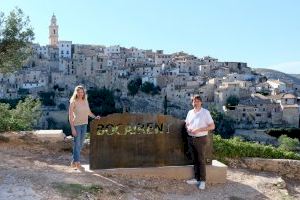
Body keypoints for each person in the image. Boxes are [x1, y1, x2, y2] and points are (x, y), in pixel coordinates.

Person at [185, 95, 215, 190]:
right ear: (192, 103)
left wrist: (199, 129)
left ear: (201, 102)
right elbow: (187, 123)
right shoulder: (190, 112)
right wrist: (188, 128)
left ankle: (202, 181)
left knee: (201, 160)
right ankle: (196, 178)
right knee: (195, 159)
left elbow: (212, 126)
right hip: (191, 138)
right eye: (194, 101)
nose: (195, 103)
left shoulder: (205, 112)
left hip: (201, 139)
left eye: (197, 101)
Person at [69, 85, 100, 170]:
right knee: (77, 143)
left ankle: (73, 161)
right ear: (76, 92)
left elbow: (88, 112)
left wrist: (94, 117)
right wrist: (72, 128)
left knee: (81, 143)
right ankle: (77, 163)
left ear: (84, 93)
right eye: (78, 92)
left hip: (84, 124)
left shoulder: (85, 101)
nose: (80, 94)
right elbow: (70, 116)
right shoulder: (73, 102)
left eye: (82, 92)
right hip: (77, 125)